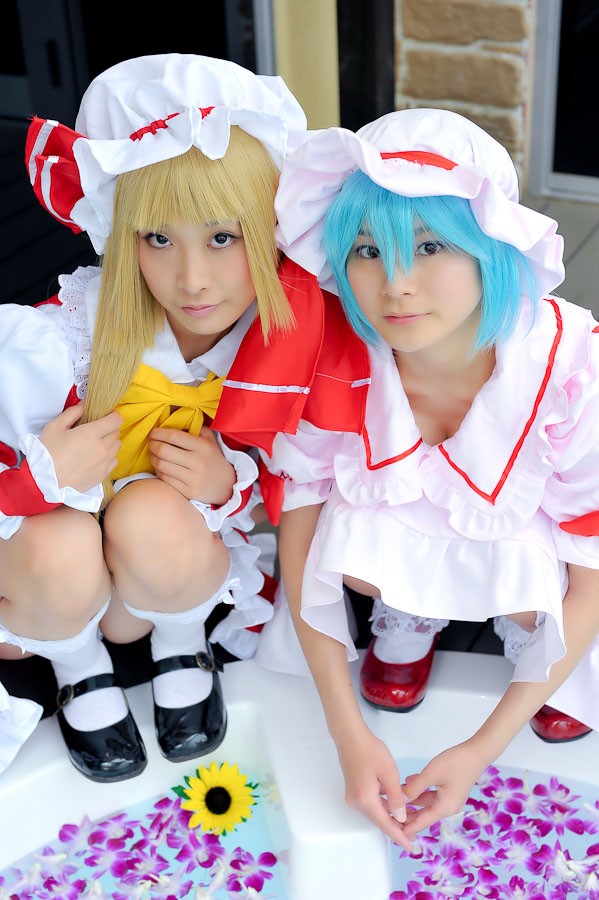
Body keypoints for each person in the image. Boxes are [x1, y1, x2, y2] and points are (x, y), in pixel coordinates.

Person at [257, 108, 599, 849]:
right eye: (366, 249)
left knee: (551, 583)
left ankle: (536, 646)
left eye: (430, 245)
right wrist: (347, 732)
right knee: (339, 533)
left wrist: (480, 749)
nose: (395, 284)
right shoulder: (335, 358)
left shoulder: (570, 365)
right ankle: (405, 616)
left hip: (534, 543)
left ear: (491, 247)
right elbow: (300, 534)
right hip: (402, 521)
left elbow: (591, 567)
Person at [0, 52, 308, 781]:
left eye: (223, 237)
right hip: (61, 584)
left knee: (152, 516)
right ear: (120, 234)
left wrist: (226, 481)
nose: (192, 279)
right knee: (57, 544)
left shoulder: (281, 339)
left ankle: (180, 643)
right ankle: (78, 669)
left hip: (158, 572)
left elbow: (298, 475)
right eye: (158, 238)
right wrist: (35, 481)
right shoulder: (56, 340)